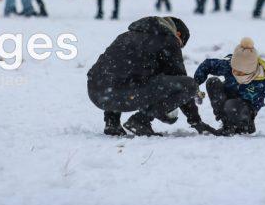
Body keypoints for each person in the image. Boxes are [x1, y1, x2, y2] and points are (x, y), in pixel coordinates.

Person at [86, 16, 219, 137]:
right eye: (181, 45)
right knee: (190, 85)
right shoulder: (169, 39)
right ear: (178, 34)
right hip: (124, 95)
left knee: (119, 74)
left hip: (97, 93)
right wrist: (196, 121)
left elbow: (113, 70)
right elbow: (183, 84)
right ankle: (140, 121)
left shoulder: (125, 36)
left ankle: (112, 123)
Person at [194, 37, 265, 136]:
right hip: (228, 102)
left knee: (231, 104)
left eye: (240, 72)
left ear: (250, 70)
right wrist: (195, 86)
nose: (236, 73)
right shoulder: (228, 67)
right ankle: (227, 123)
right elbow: (207, 65)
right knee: (213, 82)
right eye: (235, 70)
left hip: (245, 110)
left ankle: (244, 126)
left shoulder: (262, 82)